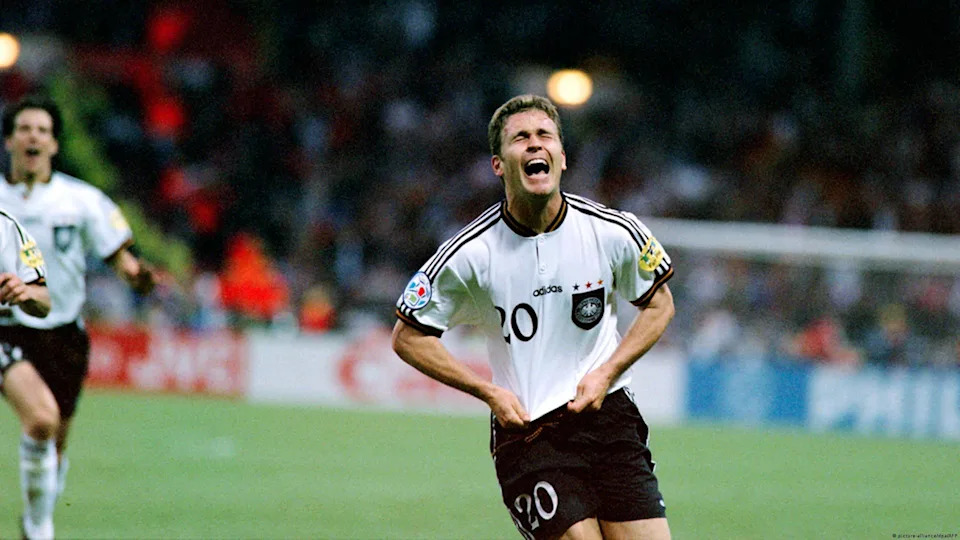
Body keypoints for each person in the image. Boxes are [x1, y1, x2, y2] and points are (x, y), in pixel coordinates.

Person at [392, 94, 676, 540]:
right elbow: (408, 336)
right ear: (498, 165)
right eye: (519, 138)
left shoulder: (611, 231)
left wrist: (607, 372)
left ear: (562, 157)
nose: (534, 145)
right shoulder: (471, 254)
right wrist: (486, 391)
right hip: (529, 433)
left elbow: (660, 304)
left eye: (544, 136)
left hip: (609, 418)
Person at [1, 95, 157, 539]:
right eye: (25, 129)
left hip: (64, 335)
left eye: (43, 131)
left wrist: (140, 278)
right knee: (41, 420)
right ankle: (39, 528)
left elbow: (124, 260)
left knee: (54, 447)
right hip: (8, 329)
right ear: (10, 140)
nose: (34, 137)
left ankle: (38, 509)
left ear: (53, 145)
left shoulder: (82, 201)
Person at [0, 209, 53, 539]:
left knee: (43, 419)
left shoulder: (7, 226)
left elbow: (44, 300)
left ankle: (37, 526)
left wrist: (25, 292)